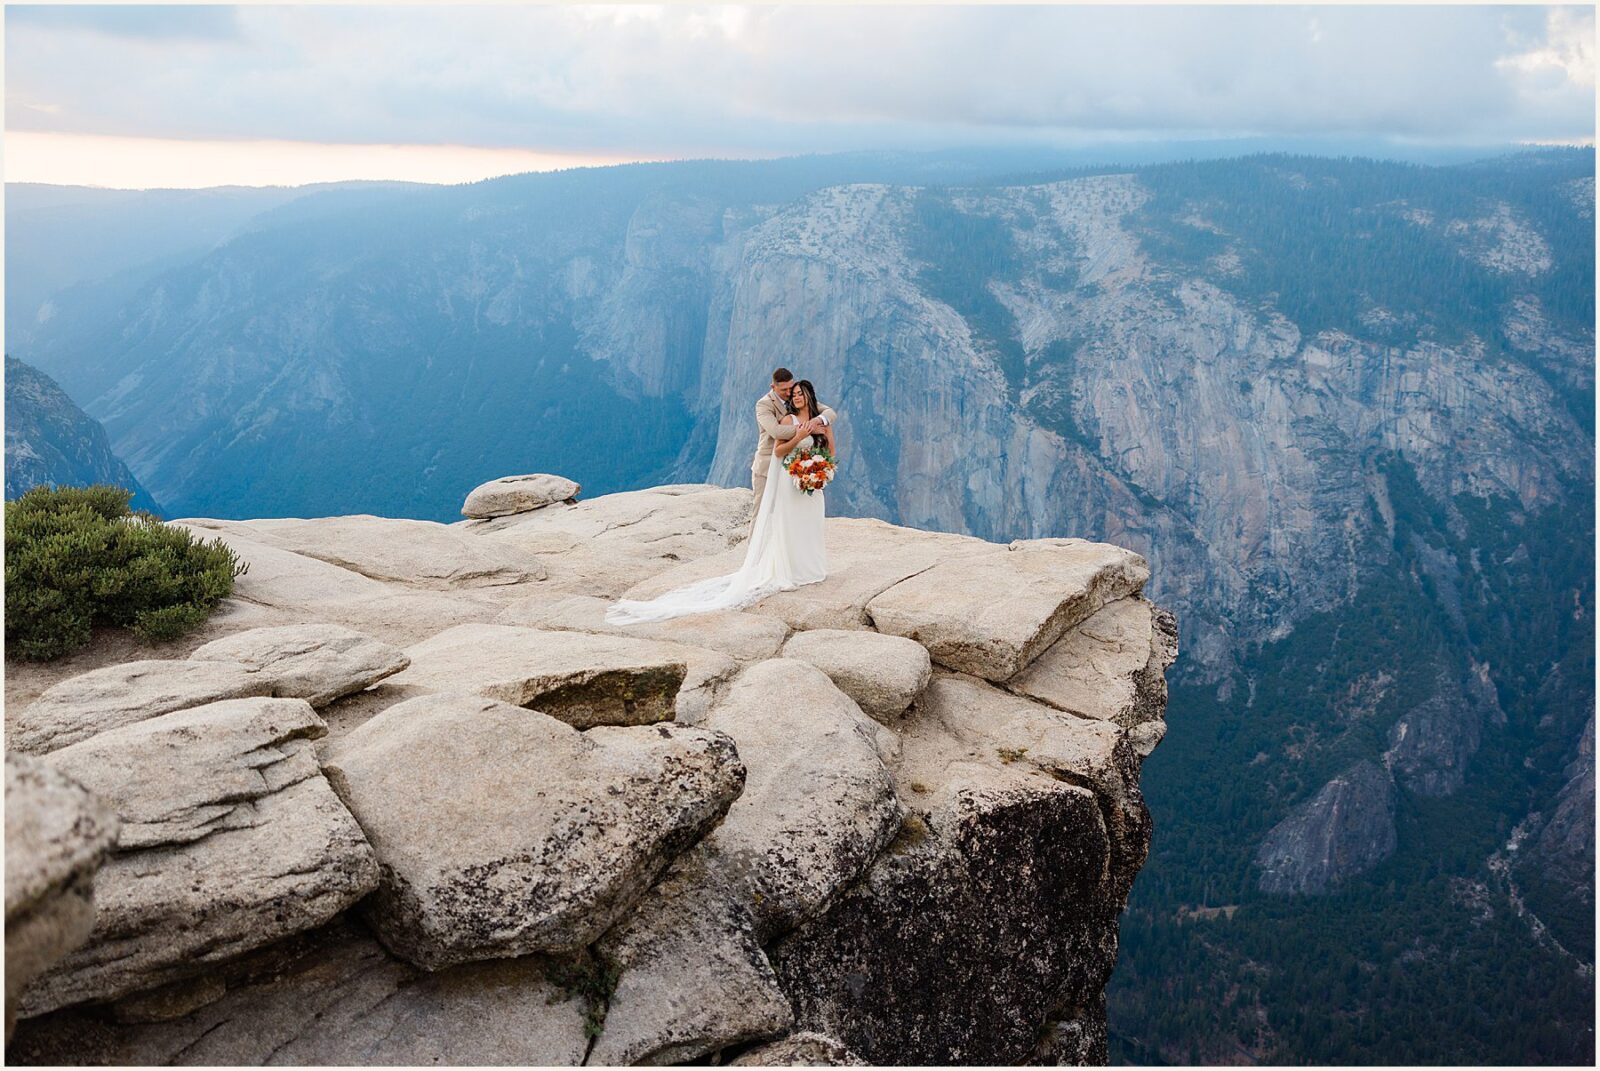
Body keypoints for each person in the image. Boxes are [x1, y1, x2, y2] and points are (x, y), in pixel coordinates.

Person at [604, 371, 836, 625]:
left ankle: (804, 564)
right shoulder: (764, 405)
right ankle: (757, 560)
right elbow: (775, 431)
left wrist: (822, 454)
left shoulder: (812, 411)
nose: (791, 394)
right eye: (787, 391)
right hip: (770, 467)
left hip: (805, 476)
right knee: (764, 513)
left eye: (794, 391)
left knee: (804, 522)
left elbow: (829, 416)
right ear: (775, 387)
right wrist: (803, 432)